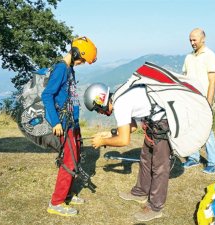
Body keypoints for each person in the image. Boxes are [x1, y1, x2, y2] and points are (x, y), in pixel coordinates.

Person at [83, 82, 171, 222]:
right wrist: (108, 134)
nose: (100, 113)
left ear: (101, 102)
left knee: (160, 167)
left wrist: (103, 142)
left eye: (97, 109)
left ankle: (155, 207)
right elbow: (133, 126)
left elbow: (124, 140)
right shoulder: (118, 97)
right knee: (146, 160)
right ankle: (140, 192)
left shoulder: (120, 104)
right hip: (153, 123)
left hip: (162, 124)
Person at [42, 36, 97, 217]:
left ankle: (67, 194)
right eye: (81, 59)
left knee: (75, 159)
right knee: (68, 162)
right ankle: (56, 202)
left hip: (72, 123)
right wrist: (56, 122)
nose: (81, 63)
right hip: (64, 125)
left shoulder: (69, 69)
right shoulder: (61, 69)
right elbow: (47, 95)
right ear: (75, 54)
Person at [182, 28, 215, 174]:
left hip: (203, 101)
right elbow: (185, 79)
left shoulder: (210, 56)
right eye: (190, 40)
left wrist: (208, 104)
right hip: (190, 100)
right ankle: (194, 158)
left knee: (207, 131)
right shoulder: (188, 58)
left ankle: (213, 163)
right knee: (191, 129)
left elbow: (212, 82)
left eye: (194, 40)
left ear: (203, 39)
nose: (192, 42)